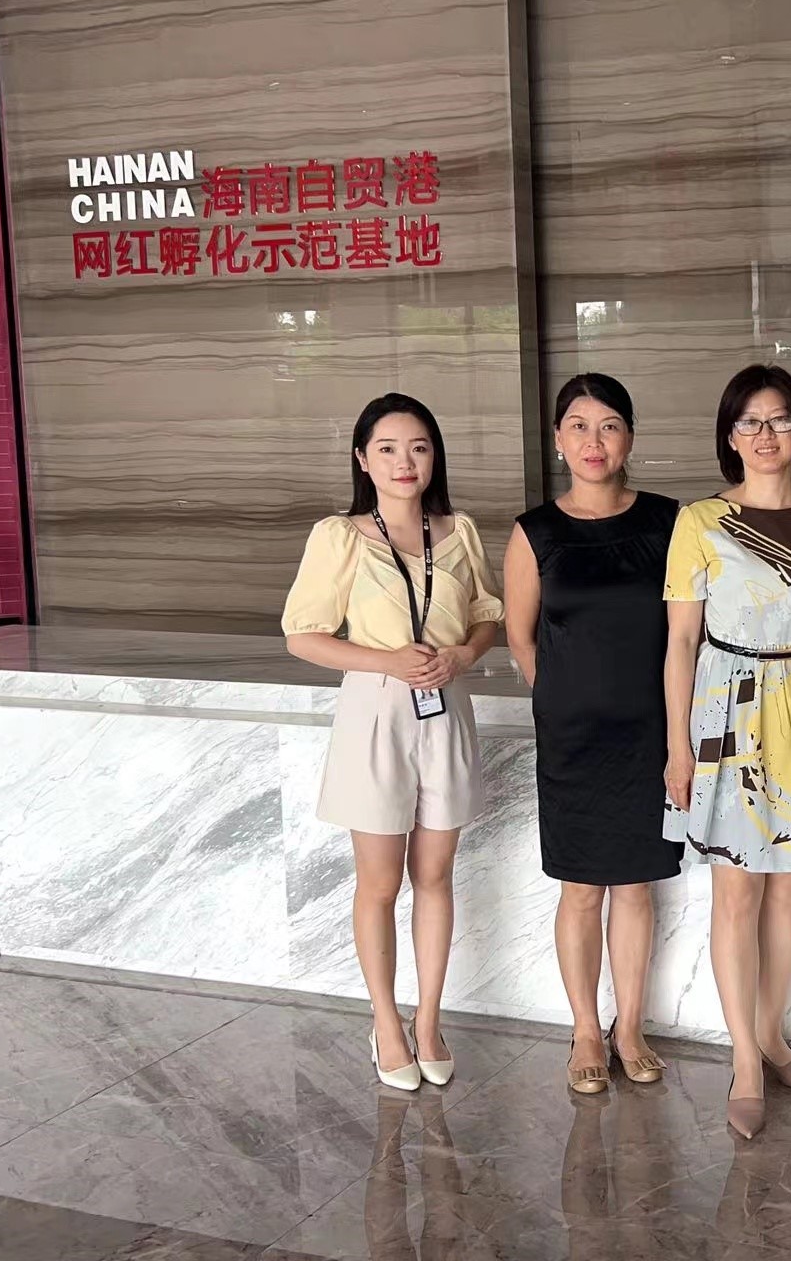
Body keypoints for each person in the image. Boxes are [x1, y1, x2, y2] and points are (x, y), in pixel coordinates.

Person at [283, 394, 505, 1093]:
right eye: (387, 448)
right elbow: (302, 636)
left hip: (446, 710)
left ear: (435, 456)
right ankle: (385, 1023)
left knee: (435, 874)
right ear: (362, 459)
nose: (404, 461)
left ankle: (428, 1020)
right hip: (375, 714)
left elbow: (486, 617)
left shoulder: (459, 530)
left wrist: (464, 655)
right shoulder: (340, 536)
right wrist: (386, 660)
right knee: (380, 883)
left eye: (418, 447)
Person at [660, 364, 791, 1139]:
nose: (765, 436)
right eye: (750, 422)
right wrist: (678, 747)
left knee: (787, 890)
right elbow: (680, 642)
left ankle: (772, 1036)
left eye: (779, 420)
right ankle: (743, 1058)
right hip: (727, 711)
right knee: (736, 891)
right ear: (729, 435)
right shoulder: (700, 520)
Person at [504, 372, 683, 1097]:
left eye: (609, 425)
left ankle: (629, 1027)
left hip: (651, 733)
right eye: (578, 426)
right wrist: (562, 696)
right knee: (581, 888)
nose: (593, 440)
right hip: (573, 738)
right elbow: (521, 637)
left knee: (636, 886)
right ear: (557, 439)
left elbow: (685, 632)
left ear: (630, 436)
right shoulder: (535, 532)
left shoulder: (669, 521)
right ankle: (584, 1028)